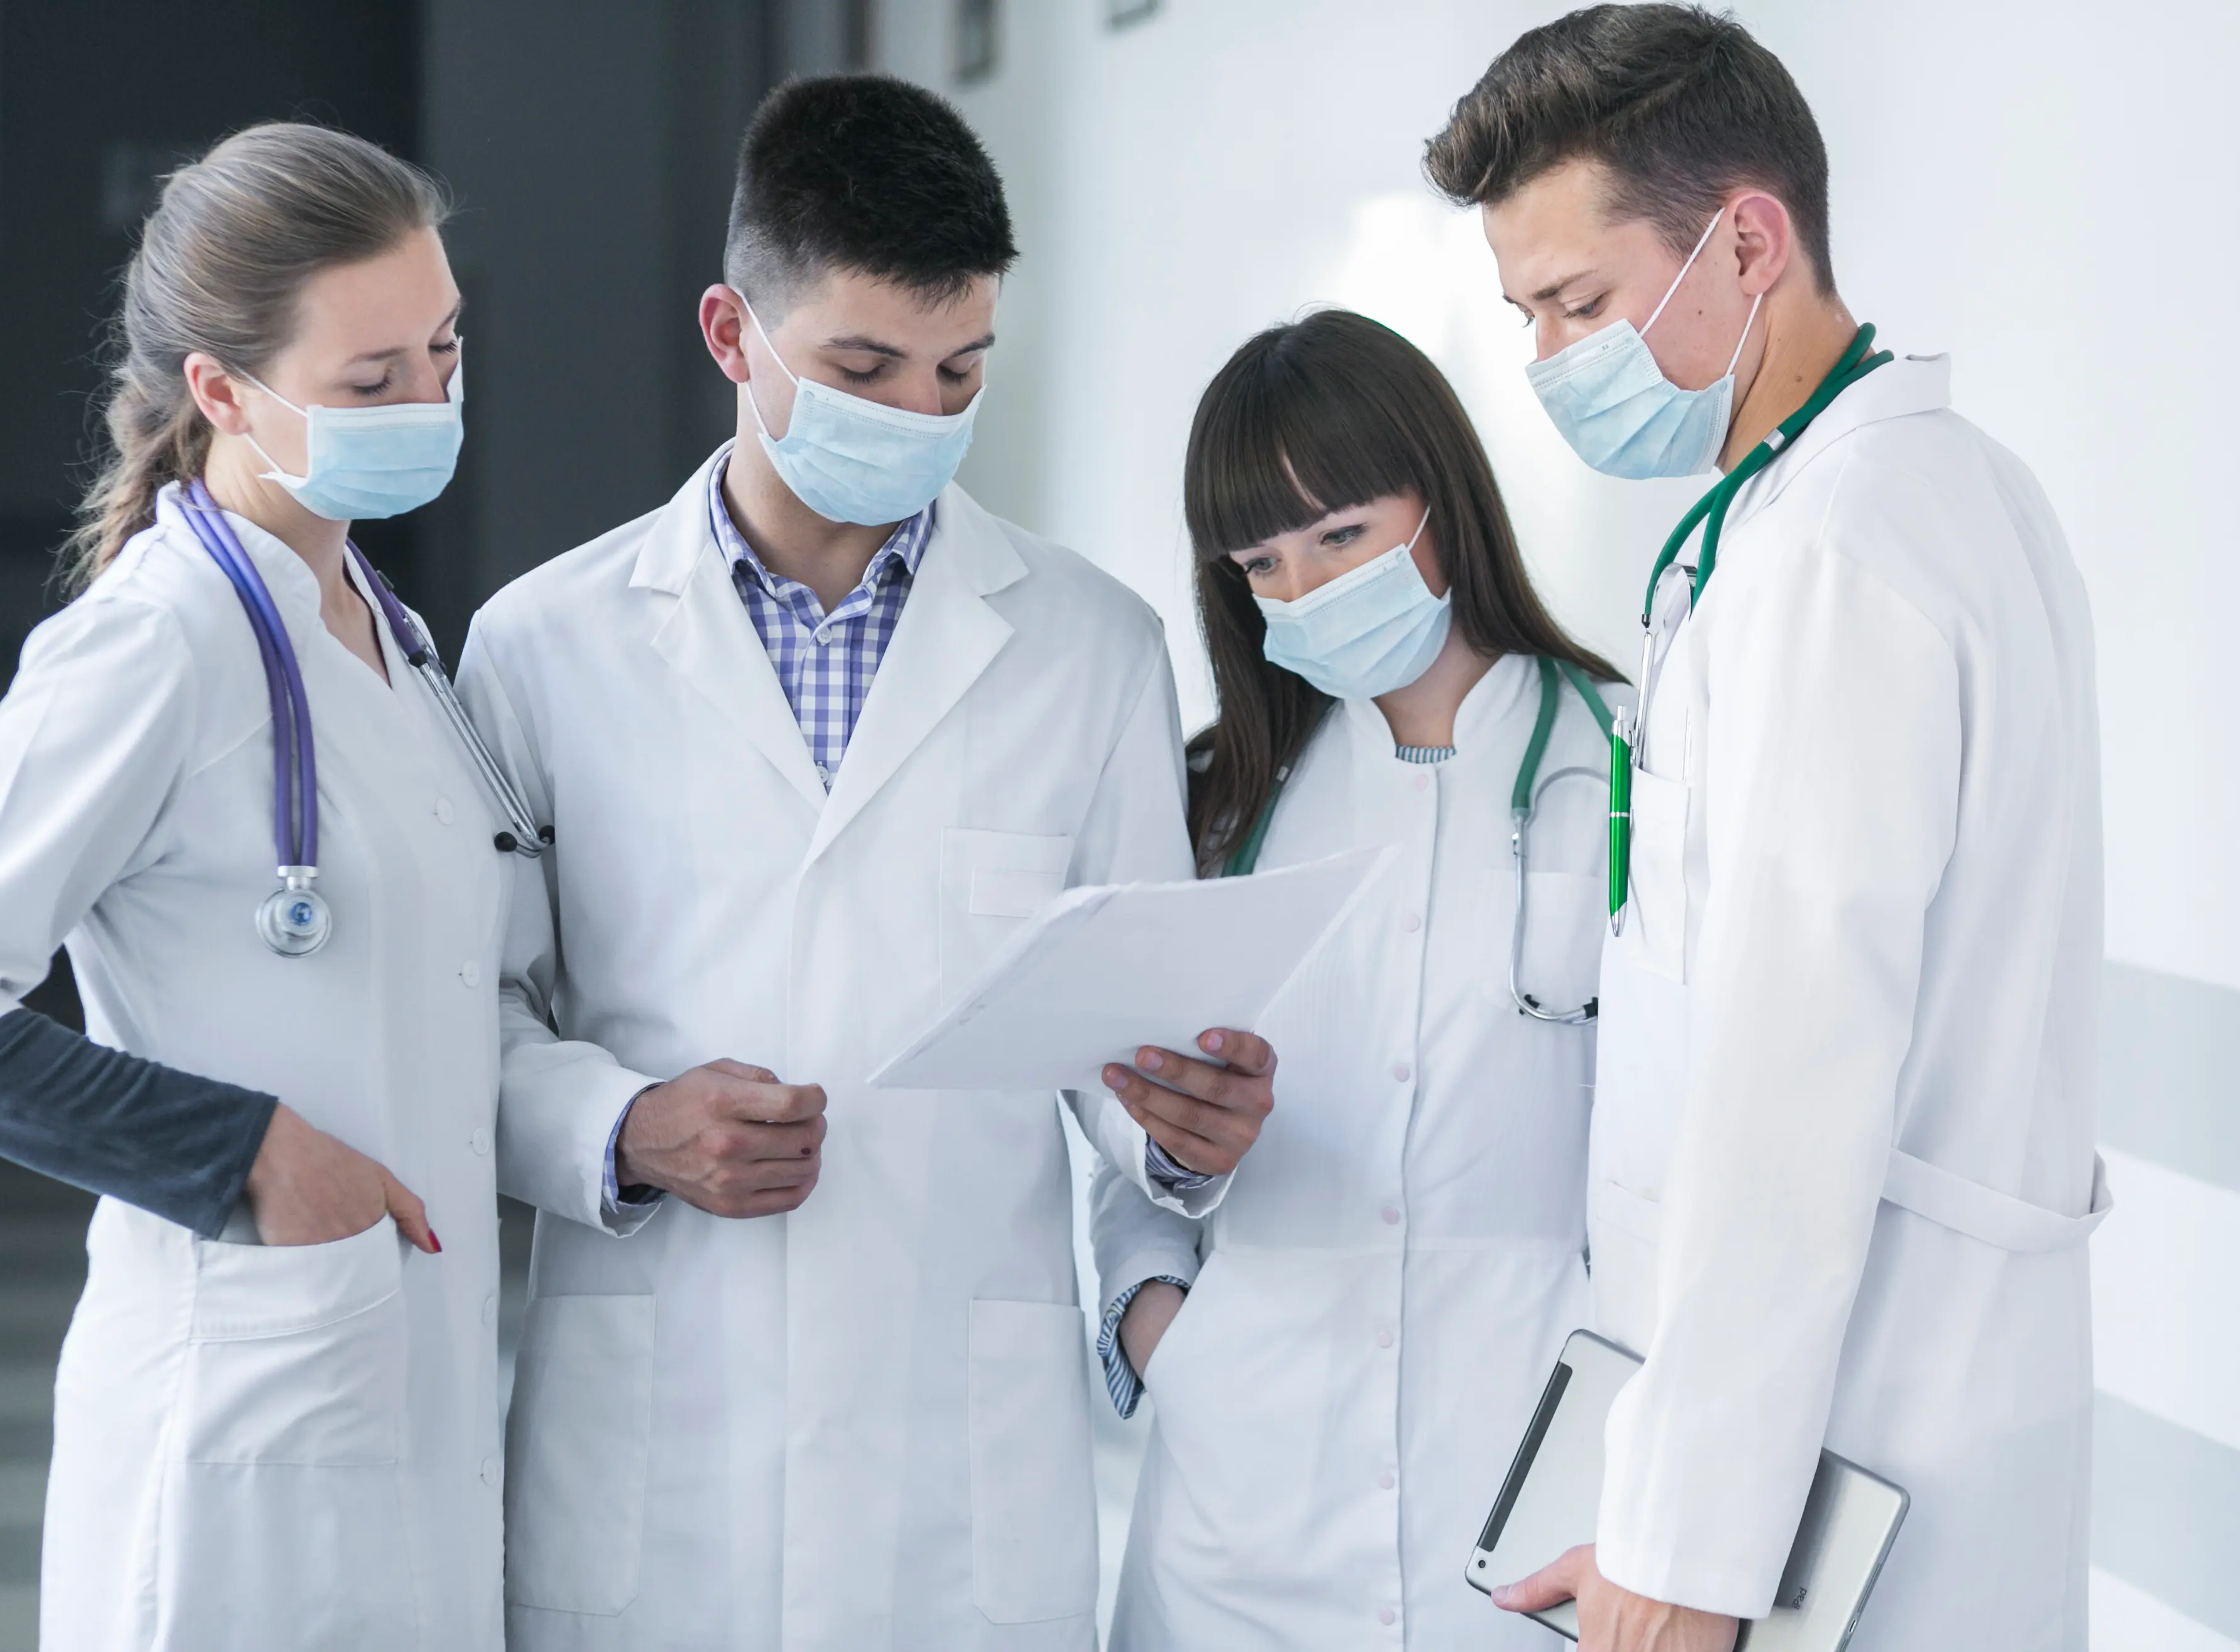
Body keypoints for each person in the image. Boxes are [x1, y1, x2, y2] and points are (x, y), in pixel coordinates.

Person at [458, 74, 1277, 1649]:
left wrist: (1184, 1128)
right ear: (728, 335)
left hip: (955, 1485)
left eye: (960, 369)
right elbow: (466, 1023)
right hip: (658, 1440)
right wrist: (623, 1128)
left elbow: (1124, 1050)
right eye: (861, 367)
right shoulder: (546, 648)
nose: (920, 416)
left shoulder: (1089, 650)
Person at [1423, 9, 2105, 1651]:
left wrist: (1685, 1550)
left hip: (1841, 1459)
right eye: (1527, 316)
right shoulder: (1915, 493)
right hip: (1876, 1423)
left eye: (1580, 305)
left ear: (1748, 237)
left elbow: (1791, 1070)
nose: (1550, 365)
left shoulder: (1837, 551)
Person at [0, 124, 523, 1649]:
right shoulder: (158, 643)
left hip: (402, 1374)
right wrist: (247, 1155)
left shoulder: (377, 625)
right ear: (220, 391)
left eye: (445, 351)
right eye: (373, 380)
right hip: (247, 1397)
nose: (433, 404)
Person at [1088, 309, 1623, 1648]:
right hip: (1242, 1519)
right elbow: (1111, 1124)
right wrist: (1164, 1330)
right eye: (1264, 563)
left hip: (1531, 1493)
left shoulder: (1626, 766)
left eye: (1343, 537)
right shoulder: (1215, 804)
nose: (1308, 592)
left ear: (1441, 503)